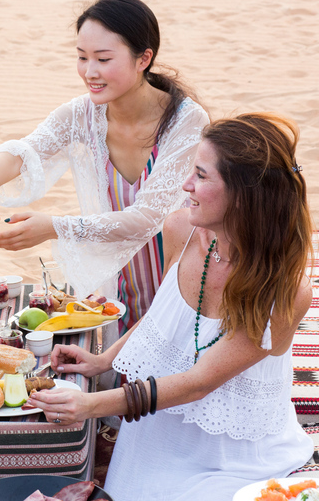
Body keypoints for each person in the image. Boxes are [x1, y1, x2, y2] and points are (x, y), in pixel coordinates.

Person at [26, 113, 314, 500]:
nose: (186, 185)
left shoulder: (285, 290)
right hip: (159, 425)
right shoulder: (181, 228)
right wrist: (103, 361)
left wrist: (90, 405)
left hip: (234, 452)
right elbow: (163, 317)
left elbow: (201, 382)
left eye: (202, 175)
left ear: (244, 195)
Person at [0, 0, 210, 349]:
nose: (89, 72)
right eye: (81, 57)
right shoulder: (81, 115)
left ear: (144, 58)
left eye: (103, 59)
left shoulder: (187, 121)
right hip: (118, 286)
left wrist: (54, 227)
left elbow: (146, 218)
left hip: (179, 283)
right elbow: (21, 153)